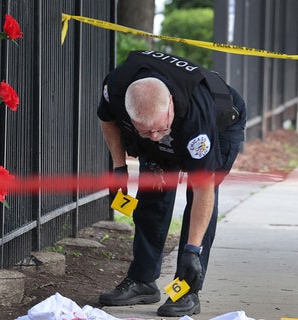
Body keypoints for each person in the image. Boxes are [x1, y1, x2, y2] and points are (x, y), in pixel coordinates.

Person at [97, 50, 247, 317]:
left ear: (169, 103)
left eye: (158, 129)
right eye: (145, 131)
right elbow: (107, 120)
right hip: (166, 120)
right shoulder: (116, 88)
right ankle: (143, 281)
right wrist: (119, 168)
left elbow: (204, 190)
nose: (155, 137)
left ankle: (185, 289)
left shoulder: (195, 116)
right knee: (151, 197)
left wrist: (192, 250)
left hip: (221, 125)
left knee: (198, 202)